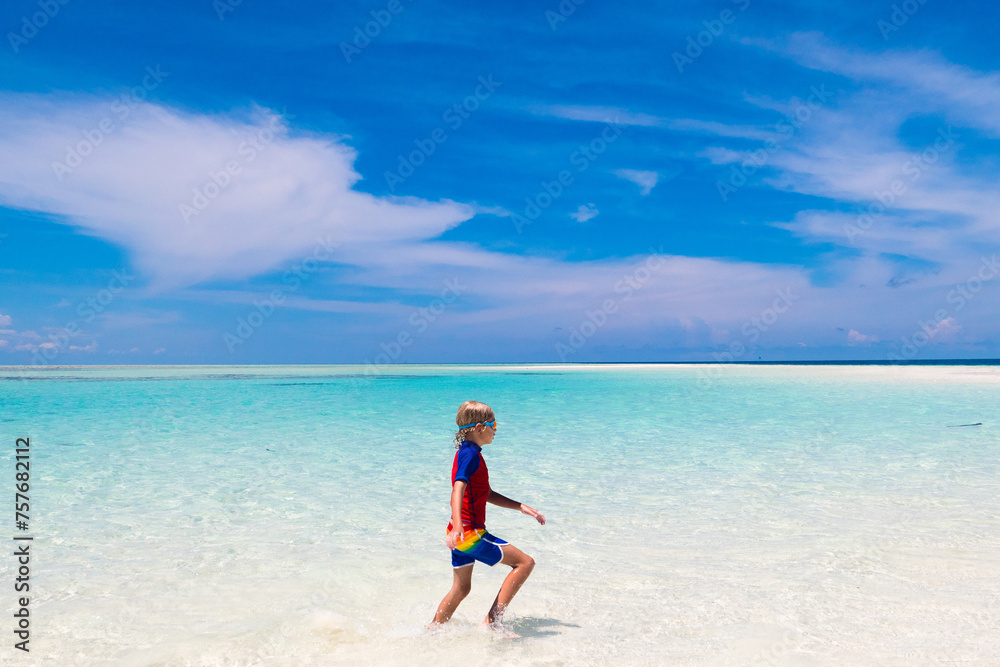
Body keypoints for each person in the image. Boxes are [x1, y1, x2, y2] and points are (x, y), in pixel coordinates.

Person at [430, 400, 545, 634]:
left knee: (461, 588)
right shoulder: (470, 455)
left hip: (459, 532)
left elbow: (486, 493)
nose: (496, 431)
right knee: (525, 563)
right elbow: (457, 488)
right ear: (480, 427)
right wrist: (460, 527)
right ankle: (492, 624)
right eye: (494, 425)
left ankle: (432, 631)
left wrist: (521, 507)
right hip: (468, 533)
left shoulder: (468, 453)